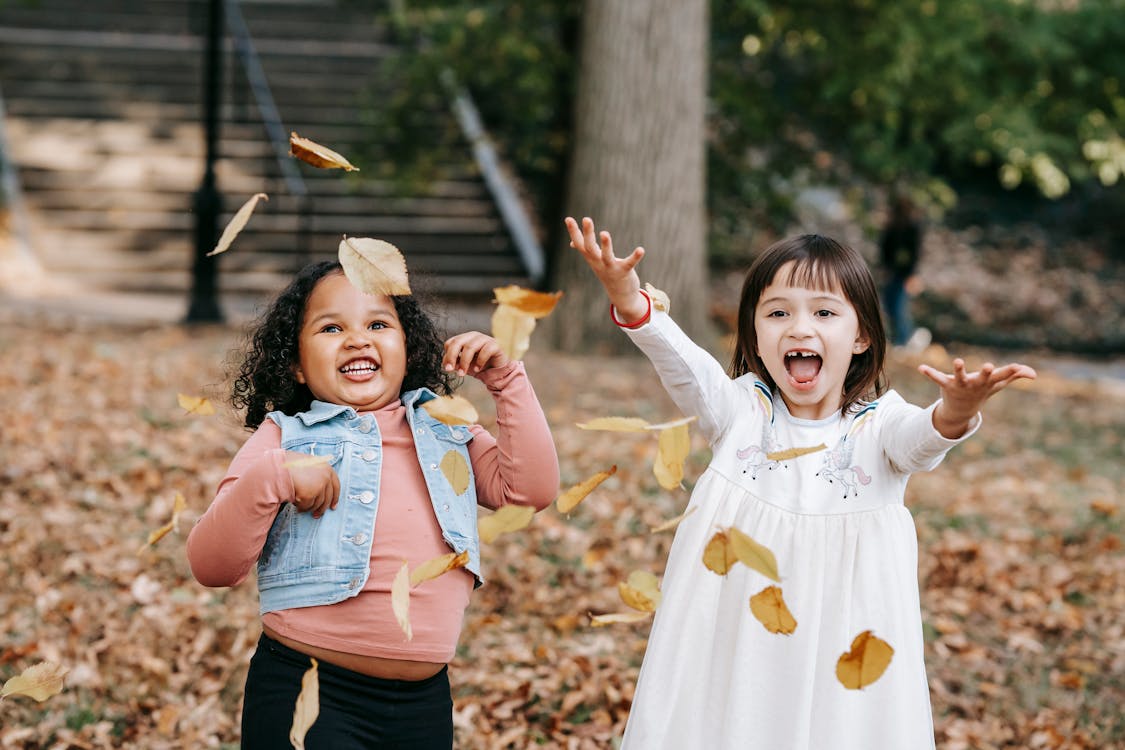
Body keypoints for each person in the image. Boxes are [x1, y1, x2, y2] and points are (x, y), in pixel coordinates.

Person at [565, 216, 1035, 750]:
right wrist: (628, 297)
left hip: (843, 643)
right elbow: (680, 362)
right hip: (737, 639)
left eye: (825, 312)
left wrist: (955, 410)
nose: (799, 327)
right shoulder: (739, 410)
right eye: (778, 313)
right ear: (756, 335)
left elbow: (921, 440)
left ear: (860, 337)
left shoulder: (879, 426)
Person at [187, 260, 560, 749]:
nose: (358, 339)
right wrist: (274, 475)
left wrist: (506, 380)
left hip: (423, 705)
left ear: (408, 348)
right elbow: (211, 565)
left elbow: (528, 491)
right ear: (297, 364)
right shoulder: (286, 437)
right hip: (309, 690)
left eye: (379, 324)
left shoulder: (448, 427)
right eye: (331, 327)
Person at [879, 193, 926, 348]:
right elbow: (885, 250)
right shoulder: (891, 228)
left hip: (904, 273)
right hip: (893, 272)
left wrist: (912, 275)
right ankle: (897, 338)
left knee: (899, 306)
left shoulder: (912, 228)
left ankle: (903, 339)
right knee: (890, 305)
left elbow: (915, 253)